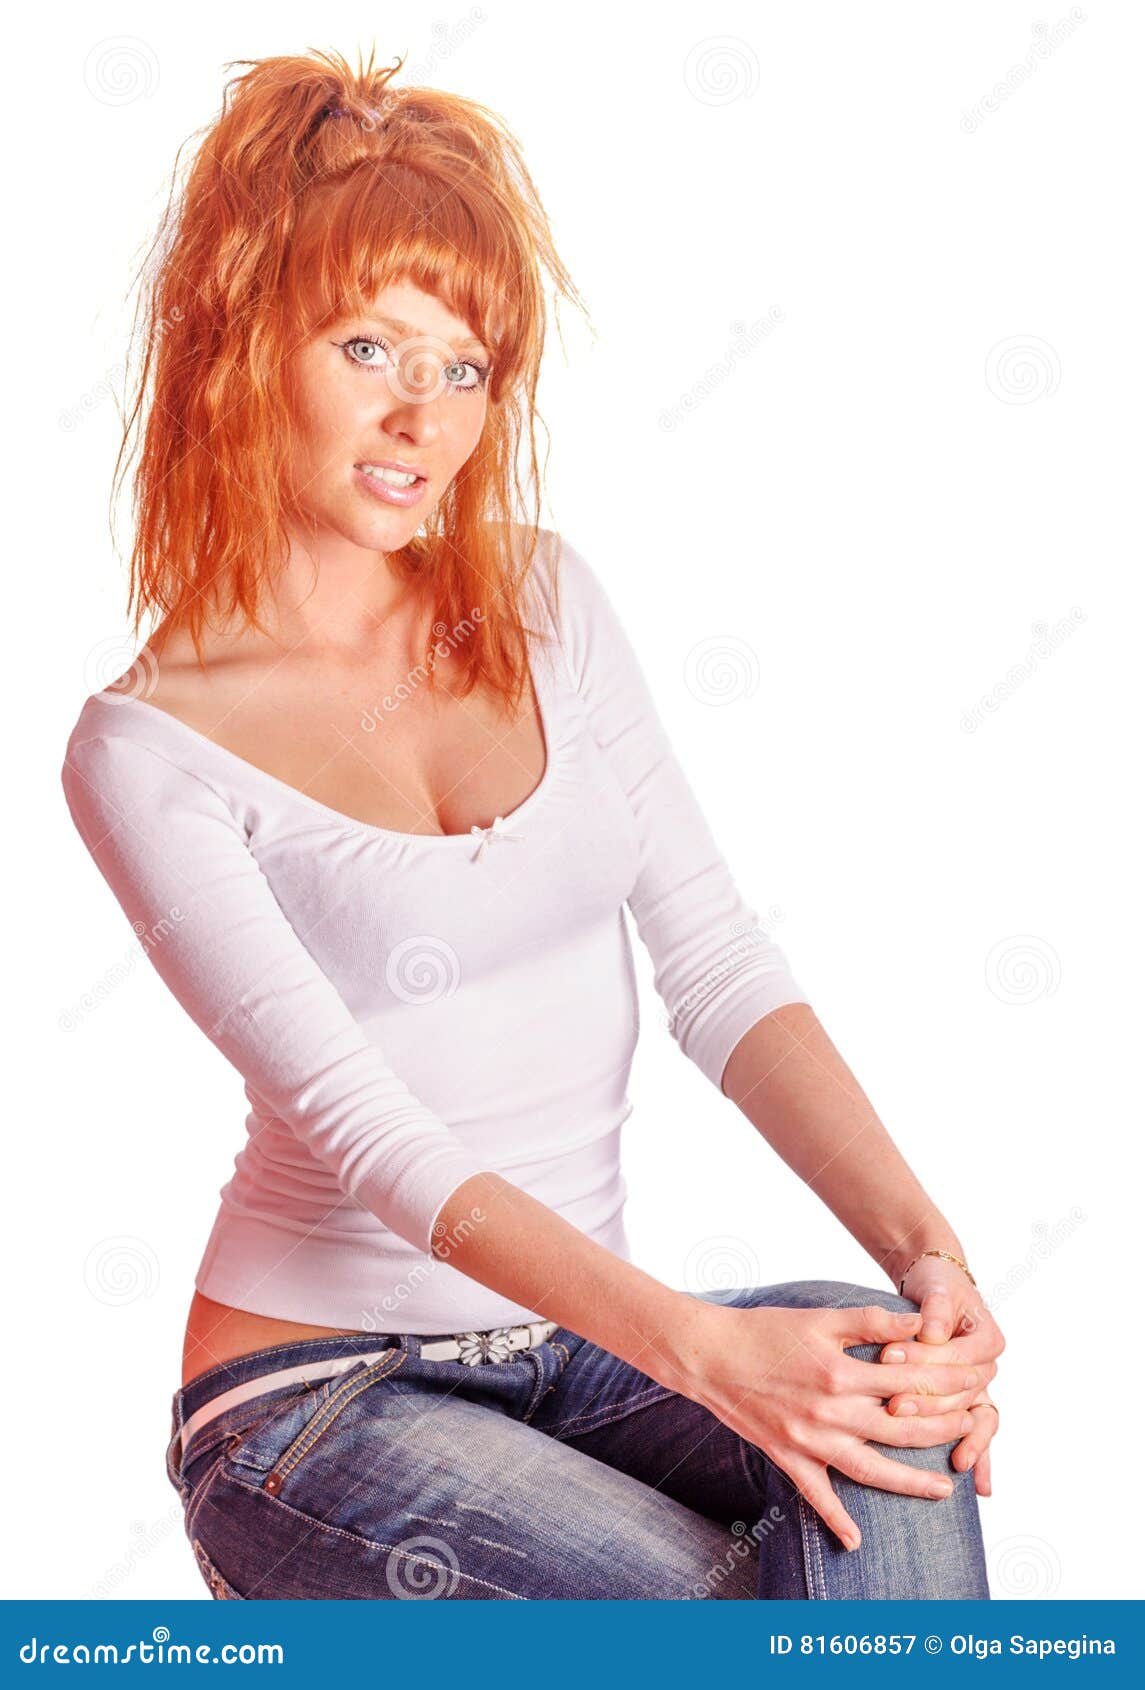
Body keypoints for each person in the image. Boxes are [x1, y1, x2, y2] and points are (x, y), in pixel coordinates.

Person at [60, 48, 1002, 1601]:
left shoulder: (543, 598)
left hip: (584, 1345)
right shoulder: (149, 749)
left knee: (893, 1408)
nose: (419, 413)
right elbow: (378, 1139)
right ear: (241, 340)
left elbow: (717, 962)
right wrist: (699, 1351)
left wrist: (929, 1256)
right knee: (717, 1613)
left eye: (464, 365)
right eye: (369, 344)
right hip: (320, 1402)